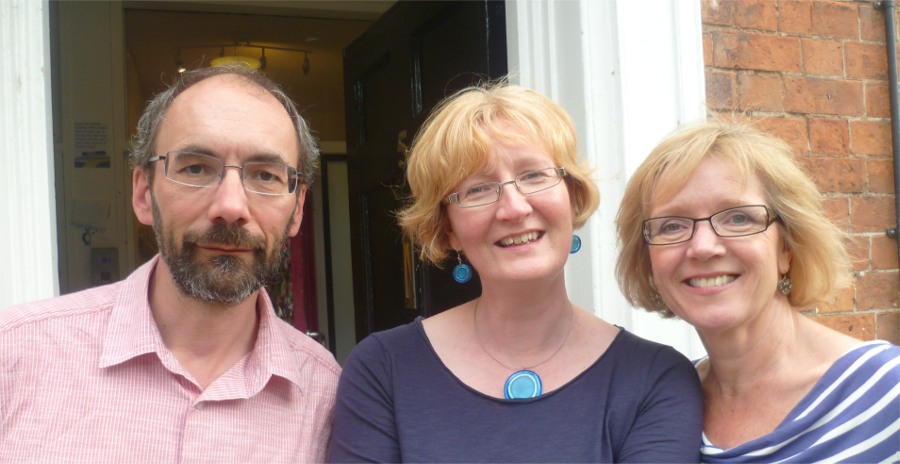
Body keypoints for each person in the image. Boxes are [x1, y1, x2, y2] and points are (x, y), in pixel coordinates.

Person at [329, 83, 703, 463]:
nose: (513, 208)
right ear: (448, 229)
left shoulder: (655, 378)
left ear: (572, 197)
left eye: (534, 175)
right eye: (477, 189)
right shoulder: (383, 369)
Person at [0, 65, 340, 462]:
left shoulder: (326, 394)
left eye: (265, 175)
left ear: (297, 209)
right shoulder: (16, 353)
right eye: (196, 168)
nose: (230, 207)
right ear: (144, 193)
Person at [615, 119, 900, 463]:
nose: (703, 248)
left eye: (738, 218)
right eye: (671, 225)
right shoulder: (657, 402)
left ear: (787, 247)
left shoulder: (887, 390)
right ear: (649, 262)